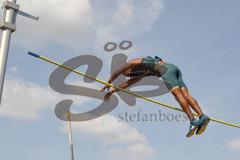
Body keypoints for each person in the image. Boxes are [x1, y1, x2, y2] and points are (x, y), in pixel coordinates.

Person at [100, 56, 210, 137]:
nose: (128, 75)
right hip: (174, 69)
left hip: (166, 71)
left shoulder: (132, 63)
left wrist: (108, 83)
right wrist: (113, 91)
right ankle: (202, 116)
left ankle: (193, 121)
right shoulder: (143, 72)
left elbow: (116, 72)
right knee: (186, 95)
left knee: (178, 96)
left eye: (127, 73)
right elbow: (128, 83)